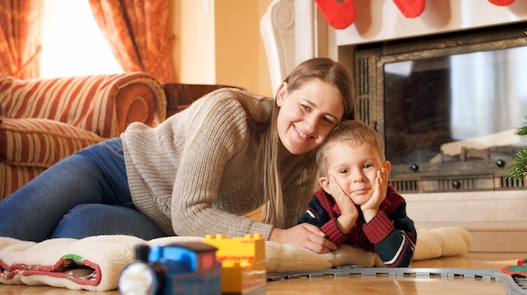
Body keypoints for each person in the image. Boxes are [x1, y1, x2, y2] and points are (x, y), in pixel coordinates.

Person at [0, 57, 355, 254]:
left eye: (327, 120)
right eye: (304, 107)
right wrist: (276, 235)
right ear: (282, 93)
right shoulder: (230, 111)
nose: (310, 126)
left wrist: (349, 213)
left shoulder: (306, 159)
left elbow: (295, 237)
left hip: (160, 222)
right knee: (10, 227)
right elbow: (192, 213)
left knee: (75, 229)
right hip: (114, 168)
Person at [297, 119, 417, 267]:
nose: (358, 177)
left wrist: (371, 211)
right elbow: (305, 251)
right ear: (327, 185)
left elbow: (401, 262)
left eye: (367, 166)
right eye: (344, 171)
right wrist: (346, 218)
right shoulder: (321, 203)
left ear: (385, 171)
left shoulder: (393, 202)